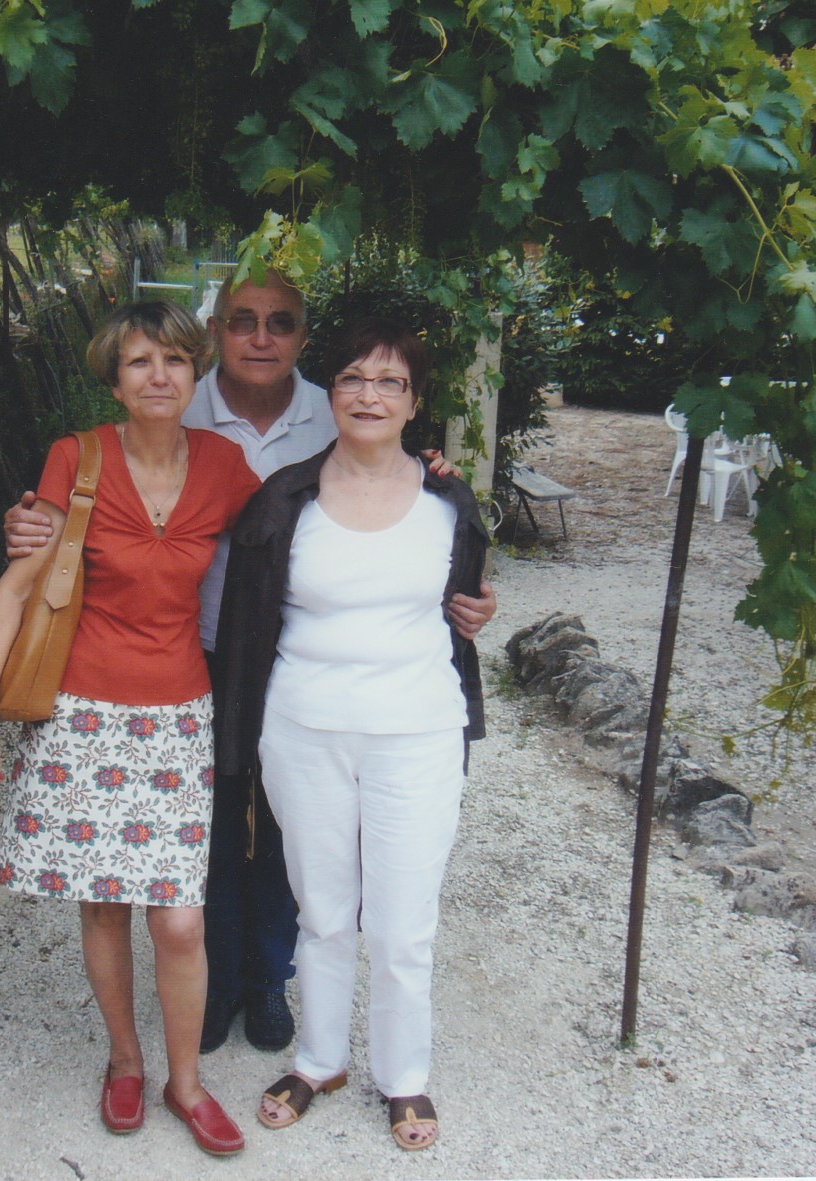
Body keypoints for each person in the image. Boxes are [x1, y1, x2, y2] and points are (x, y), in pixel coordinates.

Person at [3, 271, 497, 1058]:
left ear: (302, 337)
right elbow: (84, 506)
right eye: (242, 321)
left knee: (280, 832)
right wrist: (33, 524)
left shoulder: (336, 410)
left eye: (280, 323)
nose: (260, 338)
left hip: (285, 653)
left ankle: (268, 976)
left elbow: (393, 509)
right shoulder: (174, 398)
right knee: (202, 830)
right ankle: (216, 981)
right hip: (193, 649)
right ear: (215, 333)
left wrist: (455, 554)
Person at [0, 301, 256, 1157]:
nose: (158, 376)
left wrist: (419, 474)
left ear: (196, 373)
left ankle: (185, 1082)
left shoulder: (224, 465)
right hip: (84, 715)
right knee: (103, 902)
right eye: (138, 362)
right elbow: (16, 589)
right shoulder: (77, 456)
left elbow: (303, 525)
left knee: (180, 920)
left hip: (178, 717)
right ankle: (124, 1059)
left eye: (174, 360)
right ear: (115, 380)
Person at [212, 317, 488, 1153]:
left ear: (414, 401)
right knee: (323, 909)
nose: (370, 395)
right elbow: (246, 622)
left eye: (389, 381)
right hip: (304, 729)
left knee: (403, 921)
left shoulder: (448, 500)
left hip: (417, 730)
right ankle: (319, 1060)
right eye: (353, 379)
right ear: (328, 393)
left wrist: (481, 608)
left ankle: (403, 1075)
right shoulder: (285, 497)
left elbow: (466, 600)